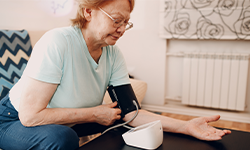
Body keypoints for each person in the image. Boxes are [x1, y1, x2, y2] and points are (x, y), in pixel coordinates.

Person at [0, 0, 231, 149]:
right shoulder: (58, 42)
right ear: (88, 11)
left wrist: (186, 126)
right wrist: (93, 114)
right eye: (116, 20)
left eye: (126, 22)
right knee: (61, 138)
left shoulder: (113, 53)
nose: (121, 29)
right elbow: (30, 117)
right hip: (13, 120)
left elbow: (130, 113)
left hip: (65, 122)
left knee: (121, 123)